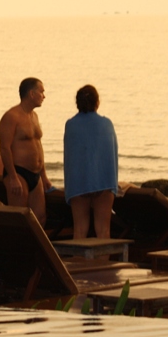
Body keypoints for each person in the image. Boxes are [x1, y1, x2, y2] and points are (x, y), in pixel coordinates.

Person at [63, 85, 118, 239]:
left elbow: (70, 157)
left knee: (79, 230)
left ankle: (79, 263)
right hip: (103, 181)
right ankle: (101, 263)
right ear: (97, 102)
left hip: (78, 183)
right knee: (103, 230)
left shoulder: (71, 125)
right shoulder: (106, 124)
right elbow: (112, 155)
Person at [0, 77, 51, 225]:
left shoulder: (34, 116)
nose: (44, 96)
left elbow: (38, 145)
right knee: (19, 218)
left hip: (35, 174)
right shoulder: (11, 116)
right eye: (42, 92)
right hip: (18, 172)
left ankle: (35, 248)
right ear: (31, 94)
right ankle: (15, 248)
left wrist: (44, 175)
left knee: (40, 217)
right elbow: (4, 148)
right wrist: (13, 177)